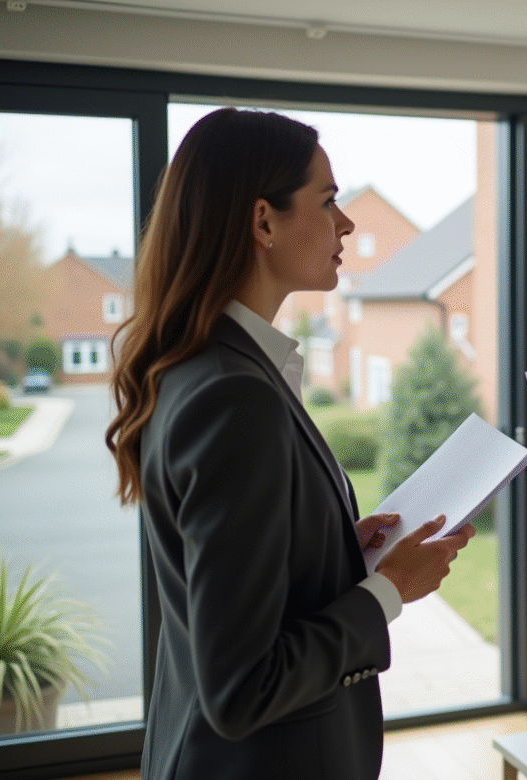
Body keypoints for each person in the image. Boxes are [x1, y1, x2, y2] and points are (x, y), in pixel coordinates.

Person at [106, 107, 474, 780]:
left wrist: (338, 557)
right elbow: (242, 687)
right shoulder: (233, 395)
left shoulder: (208, 368)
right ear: (263, 221)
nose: (348, 223)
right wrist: (389, 590)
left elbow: (235, 594)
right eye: (329, 200)